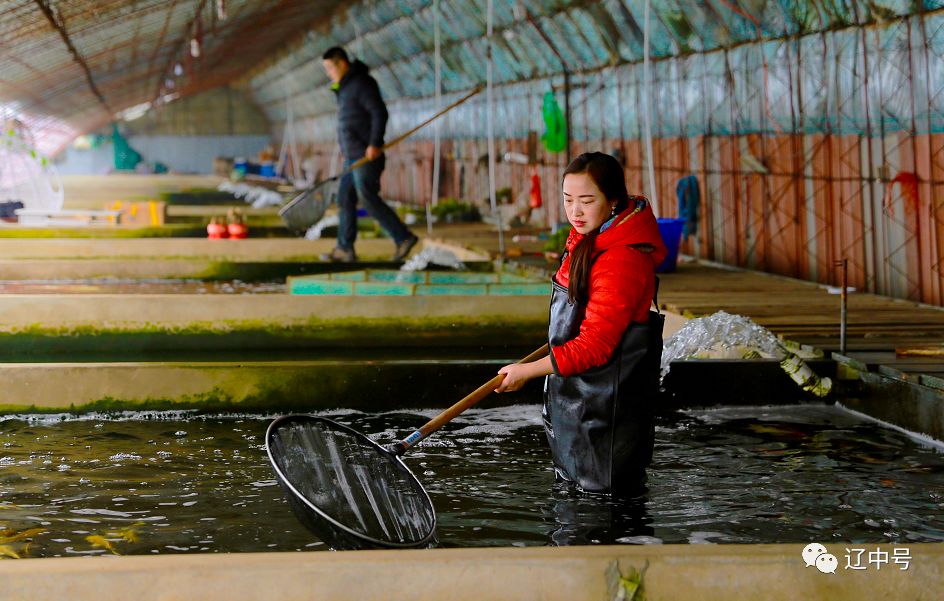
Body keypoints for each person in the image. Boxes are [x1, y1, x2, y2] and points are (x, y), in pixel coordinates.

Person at [495, 152, 667, 495]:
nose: (575, 211)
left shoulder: (621, 261)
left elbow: (594, 347)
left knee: (604, 513)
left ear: (613, 202)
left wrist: (526, 371)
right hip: (578, 410)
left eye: (587, 201)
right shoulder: (589, 241)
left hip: (606, 418)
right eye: (567, 199)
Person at [320, 47, 419, 263]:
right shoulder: (345, 89)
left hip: (366, 155)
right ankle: (344, 249)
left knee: (367, 198)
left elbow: (379, 112)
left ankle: (403, 237)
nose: (328, 73)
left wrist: (374, 143)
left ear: (342, 64)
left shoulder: (361, 84)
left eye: (329, 67)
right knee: (345, 197)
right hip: (352, 157)